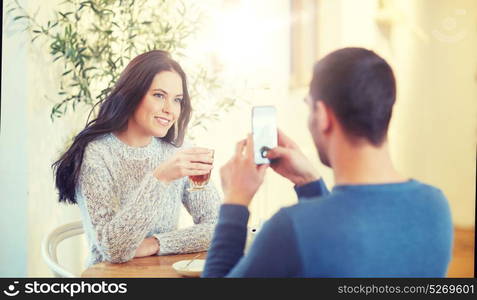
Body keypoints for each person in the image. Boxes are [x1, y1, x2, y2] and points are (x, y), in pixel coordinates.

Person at [202, 47, 453, 277]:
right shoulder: (435, 205)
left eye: (309, 107)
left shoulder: (292, 228)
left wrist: (235, 201)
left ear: (322, 116)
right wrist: (308, 183)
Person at [53, 50, 220, 267]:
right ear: (133, 94)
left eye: (177, 100)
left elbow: (220, 227)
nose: (170, 110)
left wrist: (155, 244)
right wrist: (160, 178)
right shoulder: (97, 155)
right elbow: (114, 249)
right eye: (159, 95)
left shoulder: (179, 151)